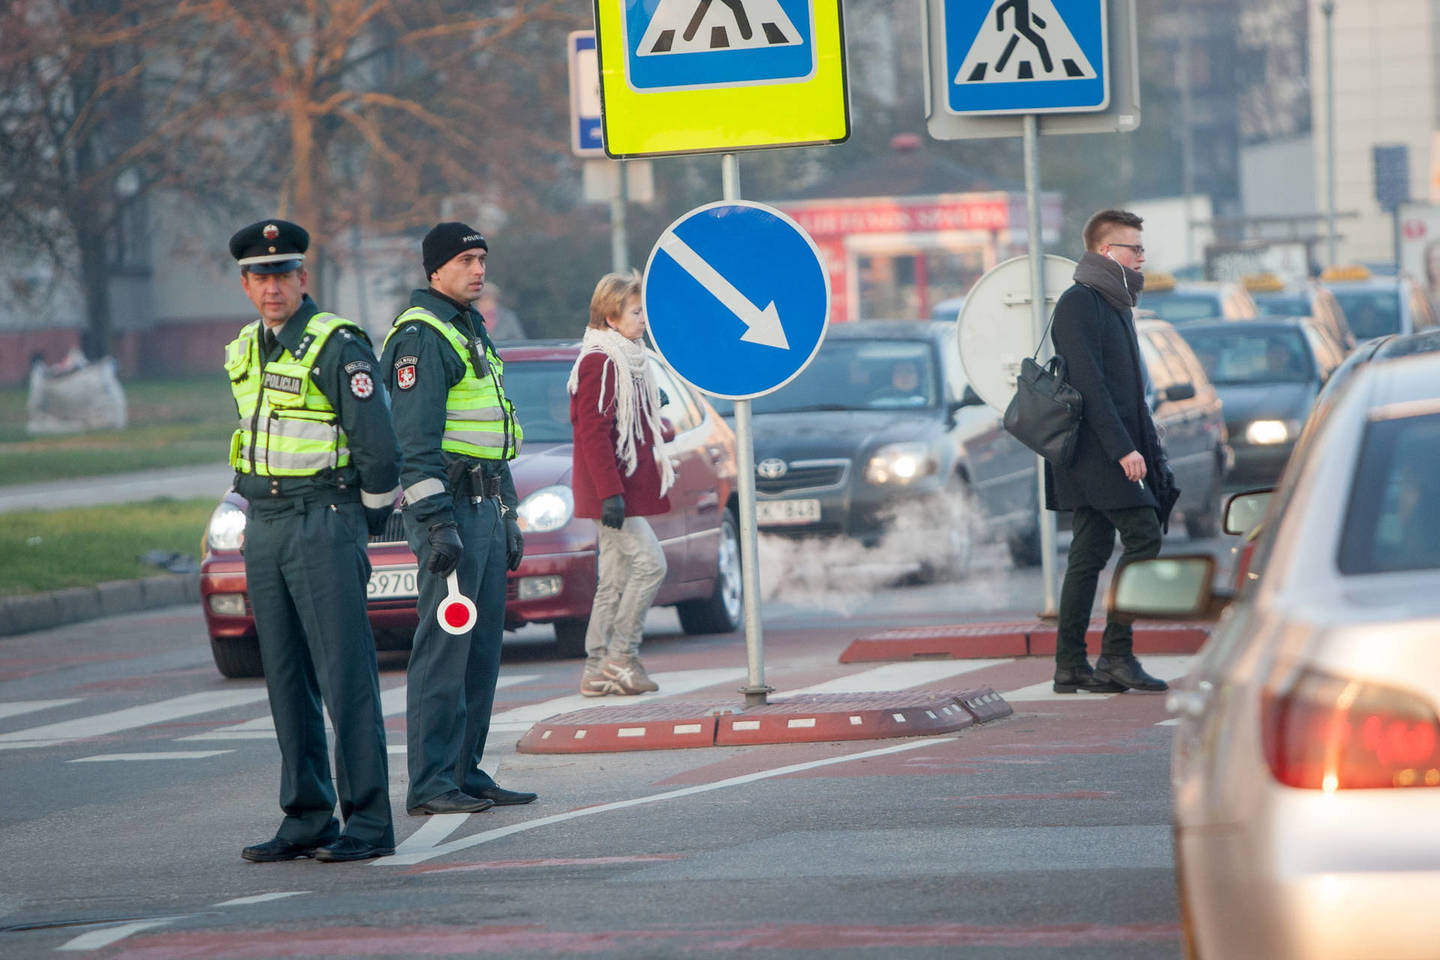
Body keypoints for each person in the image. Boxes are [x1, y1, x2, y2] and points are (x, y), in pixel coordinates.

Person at [224, 219, 401, 863]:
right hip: (264, 521)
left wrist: (367, 518)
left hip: (323, 517)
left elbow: (378, 447)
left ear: (304, 278)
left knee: (345, 674)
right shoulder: (247, 348)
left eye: (282, 274)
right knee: (287, 675)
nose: (272, 288)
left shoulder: (336, 343)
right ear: (246, 284)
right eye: (259, 277)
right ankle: (306, 815)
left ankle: (369, 822)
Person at [379, 221, 536, 815]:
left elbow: (495, 434)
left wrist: (511, 513)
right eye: (467, 260)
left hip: (486, 508)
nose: (478, 269)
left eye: (482, 259)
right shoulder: (423, 336)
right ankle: (430, 782)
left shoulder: (468, 328)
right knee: (445, 650)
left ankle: (467, 771)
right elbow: (414, 446)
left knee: (481, 650)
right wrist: (437, 523)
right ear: (436, 269)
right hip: (451, 511)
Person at [1045, 209, 1175, 695]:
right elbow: (1090, 385)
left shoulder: (1115, 301)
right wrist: (1124, 449)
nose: (1142, 256)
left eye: (1142, 248)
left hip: (1112, 444)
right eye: (1133, 248)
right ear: (1106, 252)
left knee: (1090, 550)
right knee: (1144, 536)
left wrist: (1148, 444)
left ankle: (1071, 665)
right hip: (1096, 450)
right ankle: (1116, 656)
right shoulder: (1080, 303)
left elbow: (1128, 390)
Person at [569, 271, 674, 697]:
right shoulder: (600, 361)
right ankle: (621, 659)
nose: (644, 318)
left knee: (613, 579)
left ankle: (596, 667)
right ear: (612, 318)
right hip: (611, 493)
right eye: (636, 311)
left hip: (616, 489)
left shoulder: (629, 359)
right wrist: (610, 492)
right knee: (652, 565)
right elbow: (592, 431)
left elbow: (629, 423)